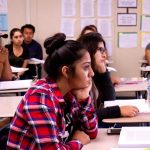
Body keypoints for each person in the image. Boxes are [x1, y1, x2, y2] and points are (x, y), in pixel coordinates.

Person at [7, 33, 98, 149]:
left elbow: (91, 132)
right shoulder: (40, 98)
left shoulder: (69, 93)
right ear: (66, 71)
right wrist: (77, 142)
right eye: (86, 67)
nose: (92, 73)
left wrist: (84, 99)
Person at [78, 32, 139, 126]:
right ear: (89, 51)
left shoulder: (95, 75)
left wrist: (104, 73)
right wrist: (118, 111)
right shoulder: (79, 79)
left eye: (104, 50)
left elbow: (110, 101)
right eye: (100, 50)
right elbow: (82, 115)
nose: (104, 55)